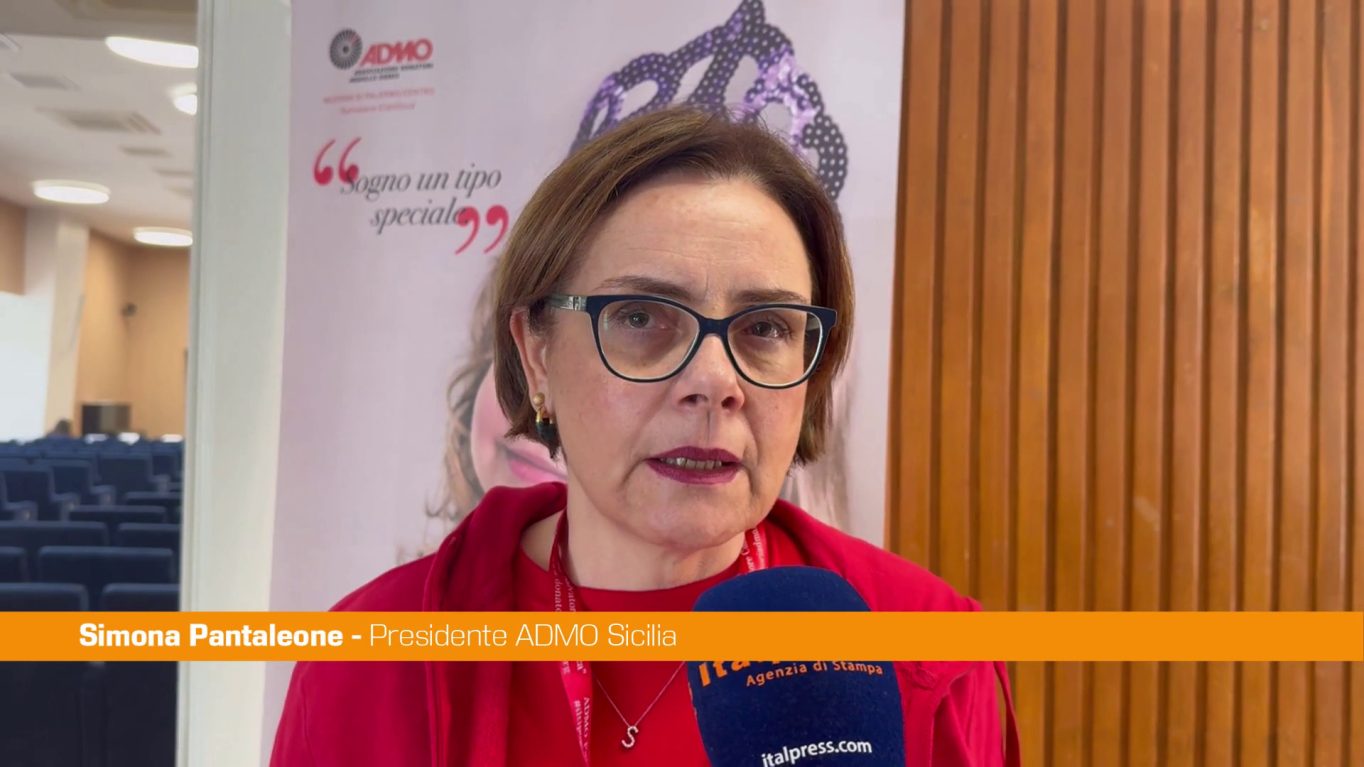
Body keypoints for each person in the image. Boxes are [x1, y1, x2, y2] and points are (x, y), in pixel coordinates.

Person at [271, 105, 1020, 766]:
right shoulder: (367, 666)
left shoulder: (932, 655)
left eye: (766, 328)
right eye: (640, 318)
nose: (715, 381)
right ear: (537, 355)